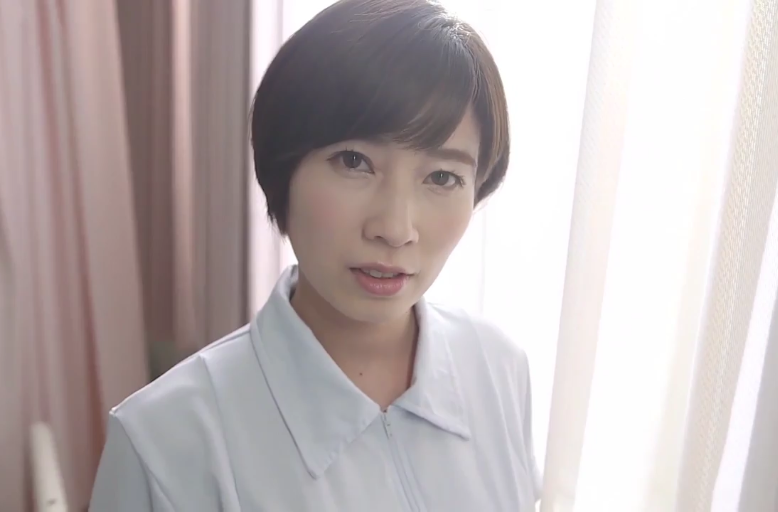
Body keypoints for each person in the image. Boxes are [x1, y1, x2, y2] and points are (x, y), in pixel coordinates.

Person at [89, 0, 540, 510]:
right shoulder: (164, 442)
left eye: (442, 177)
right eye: (354, 161)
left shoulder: (498, 368)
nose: (395, 229)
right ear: (283, 170)